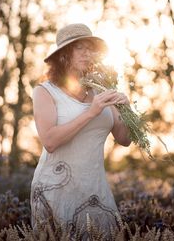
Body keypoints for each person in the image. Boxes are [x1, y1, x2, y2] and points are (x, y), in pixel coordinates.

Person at [31, 23, 131, 239]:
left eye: (90, 48)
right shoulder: (45, 92)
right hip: (57, 189)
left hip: (95, 188)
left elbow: (124, 139)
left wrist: (126, 108)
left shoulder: (102, 90)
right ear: (64, 54)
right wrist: (90, 113)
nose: (88, 54)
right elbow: (49, 140)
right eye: (80, 48)